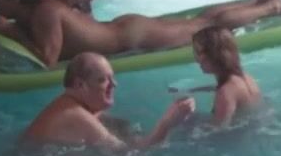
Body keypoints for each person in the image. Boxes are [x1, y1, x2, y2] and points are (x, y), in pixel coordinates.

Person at [0, 0, 281, 68]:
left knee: (205, 27)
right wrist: (8, 27)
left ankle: (270, 8)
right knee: (199, 20)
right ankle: (258, 2)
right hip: (127, 28)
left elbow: (47, 60)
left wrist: (9, 31)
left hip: (133, 37)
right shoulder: (39, 9)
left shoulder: (45, 12)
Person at [20, 53, 196, 149]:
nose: (114, 84)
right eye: (103, 80)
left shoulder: (73, 104)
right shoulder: (76, 116)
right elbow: (130, 155)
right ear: (80, 85)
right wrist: (166, 123)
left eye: (112, 77)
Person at [168, 26, 263, 127]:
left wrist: (178, 117)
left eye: (198, 52)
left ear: (212, 55)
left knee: (184, 123)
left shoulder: (225, 93)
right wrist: (192, 90)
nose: (197, 59)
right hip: (257, 124)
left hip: (241, 134)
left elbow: (218, 131)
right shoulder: (245, 77)